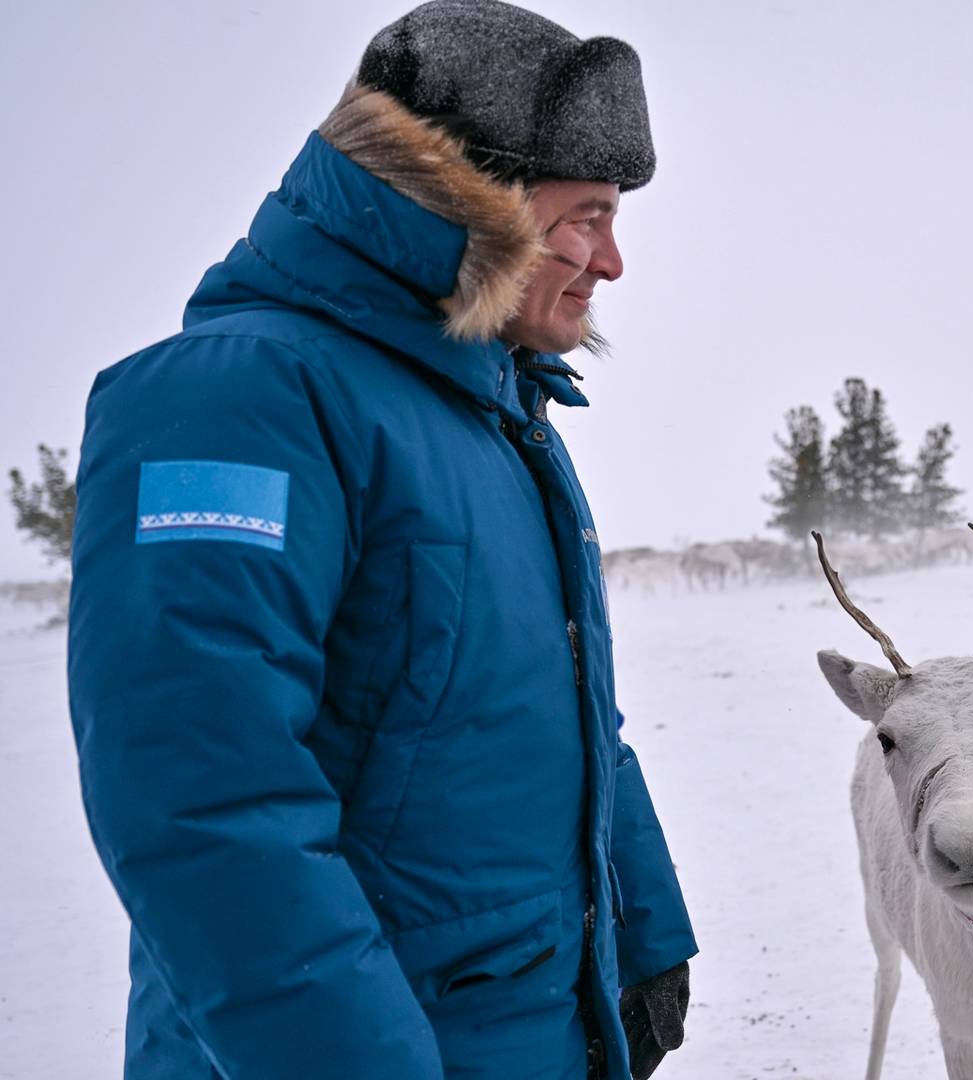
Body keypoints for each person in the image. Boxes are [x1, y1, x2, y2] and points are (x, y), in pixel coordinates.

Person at [66, 3, 694, 1076]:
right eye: (586, 214)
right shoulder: (243, 399)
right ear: (475, 203)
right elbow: (205, 804)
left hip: (524, 1032)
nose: (612, 260)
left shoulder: (496, 419)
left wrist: (643, 936)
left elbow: (569, 715)